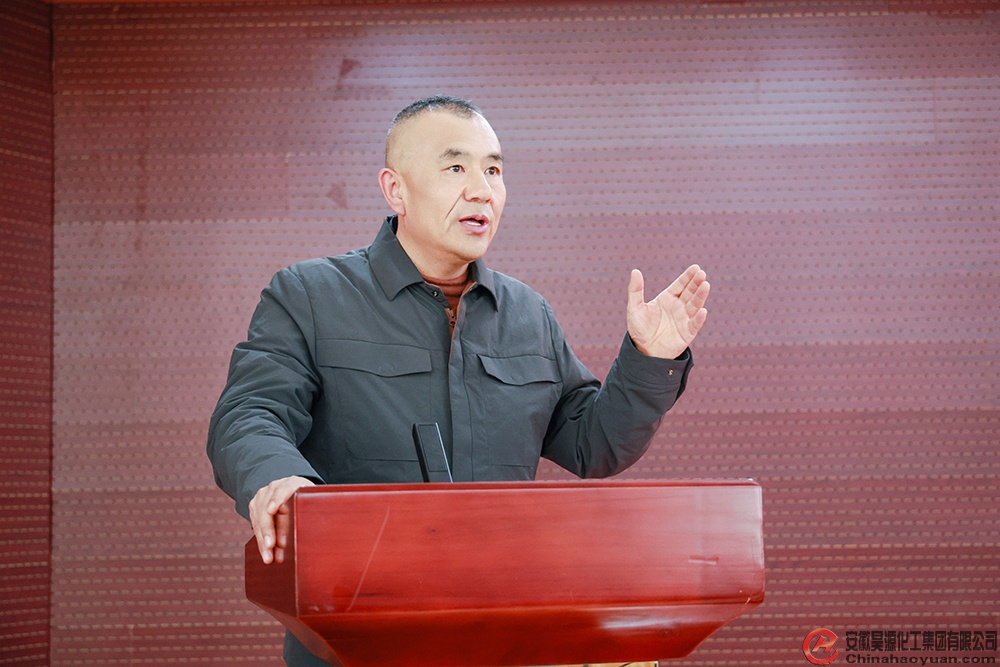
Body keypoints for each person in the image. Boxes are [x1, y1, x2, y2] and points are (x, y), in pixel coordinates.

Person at [207, 95, 710, 666]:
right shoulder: (310, 296)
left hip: (507, 639)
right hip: (359, 634)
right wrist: (279, 479)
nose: (481, 190)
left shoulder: (528, 314)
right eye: (455, 167)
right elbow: (249, 414)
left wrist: (649, 357)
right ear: (396, 190)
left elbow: (594, 444)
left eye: (493, 170)